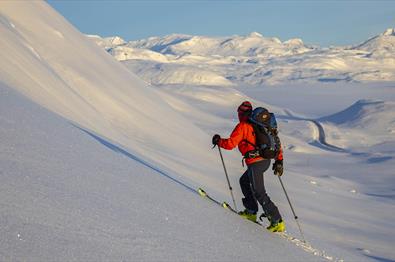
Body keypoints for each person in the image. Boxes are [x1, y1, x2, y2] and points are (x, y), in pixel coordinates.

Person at [212, 101, 285, 232]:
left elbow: (230, 144)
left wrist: (218, 141)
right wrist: (279, 161)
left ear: (242, 113)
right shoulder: (260, 126)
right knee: (244, 181)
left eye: (240, 112)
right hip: (265, 161)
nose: (239, 114)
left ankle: (276, 220)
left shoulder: (243, 126)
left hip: (255, 163)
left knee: (259, 191)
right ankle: (251, 211)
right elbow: (275, 141)